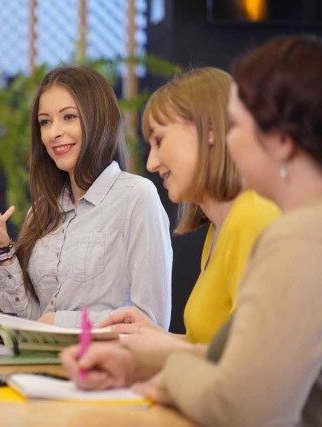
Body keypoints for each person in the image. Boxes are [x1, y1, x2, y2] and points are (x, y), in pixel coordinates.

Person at [61, 35, 322, 426]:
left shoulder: (298, 236)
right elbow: (240, 359)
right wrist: (132, 362)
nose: (230, 140)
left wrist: (164, 379)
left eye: (237, 125)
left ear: (282, 140)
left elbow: (240, 403)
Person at [0, 66, 172, 328]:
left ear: (97, 119)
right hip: (42, 363)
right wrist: (1, 245)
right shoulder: (42, 210)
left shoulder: (137, 197)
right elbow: (32, 321)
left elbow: (151, 321)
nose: (54, 133)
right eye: (45, 122)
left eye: (69, 117)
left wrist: (60, 322)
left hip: (105, 365)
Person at [99, 67, 279, 346]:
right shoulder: (220, 229)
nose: (151, 163)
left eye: (159, 141)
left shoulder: (251, 219)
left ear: (209, 131)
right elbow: (213, 350)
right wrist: (152, 335)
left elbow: (251, 365)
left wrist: (160, 346)